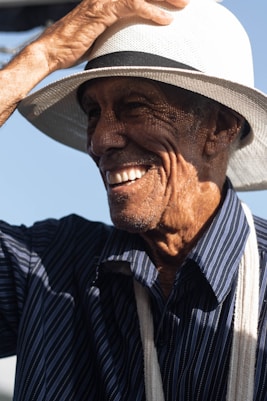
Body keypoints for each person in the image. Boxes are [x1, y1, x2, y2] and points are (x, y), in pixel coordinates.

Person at [0, 0, 267, 400]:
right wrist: (41, 55)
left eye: (135, 107)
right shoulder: (48, 265)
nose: (99, 140)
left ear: (220, 127)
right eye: (93, 112)